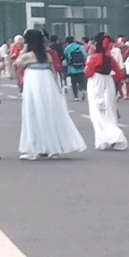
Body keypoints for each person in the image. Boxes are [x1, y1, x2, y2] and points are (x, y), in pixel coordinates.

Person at [13, 29, 87, 160]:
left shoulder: (27, 55)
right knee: (49, 113)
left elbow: (17, 63)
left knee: (33, 113)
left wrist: (24, 50)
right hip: (47, 83)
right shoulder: (47, 56)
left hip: (33, 82)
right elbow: (53, 72)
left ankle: (34, 149)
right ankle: (53, 148)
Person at [82, 32, 126, 148]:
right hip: (108, 83)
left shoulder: (93, 57)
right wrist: (111, 78)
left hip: (96, 83)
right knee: (110, 110)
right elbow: (120, 73)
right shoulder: (110, 59)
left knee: (97, 112)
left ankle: (108, 137)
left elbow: (88, 73)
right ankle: (112, 134)